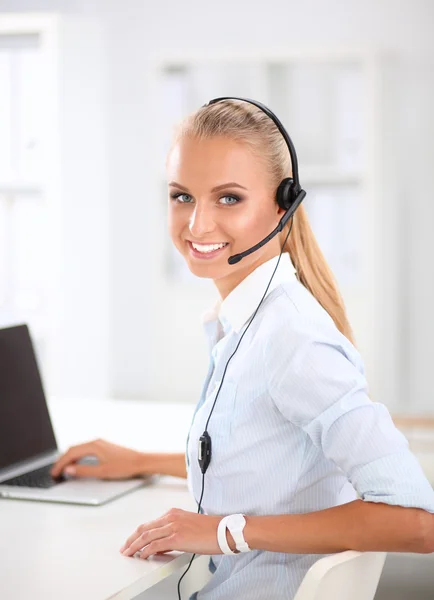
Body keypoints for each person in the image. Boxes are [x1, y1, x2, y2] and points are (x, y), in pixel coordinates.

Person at [50, 99, 434, 600]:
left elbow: (415, 521)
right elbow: (261, 459)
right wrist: (141, 460)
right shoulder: (247, 321)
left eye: (228, 198)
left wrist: (225, 531)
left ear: (283, 204)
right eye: (182, 196)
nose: (197, 225)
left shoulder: (294, 340)